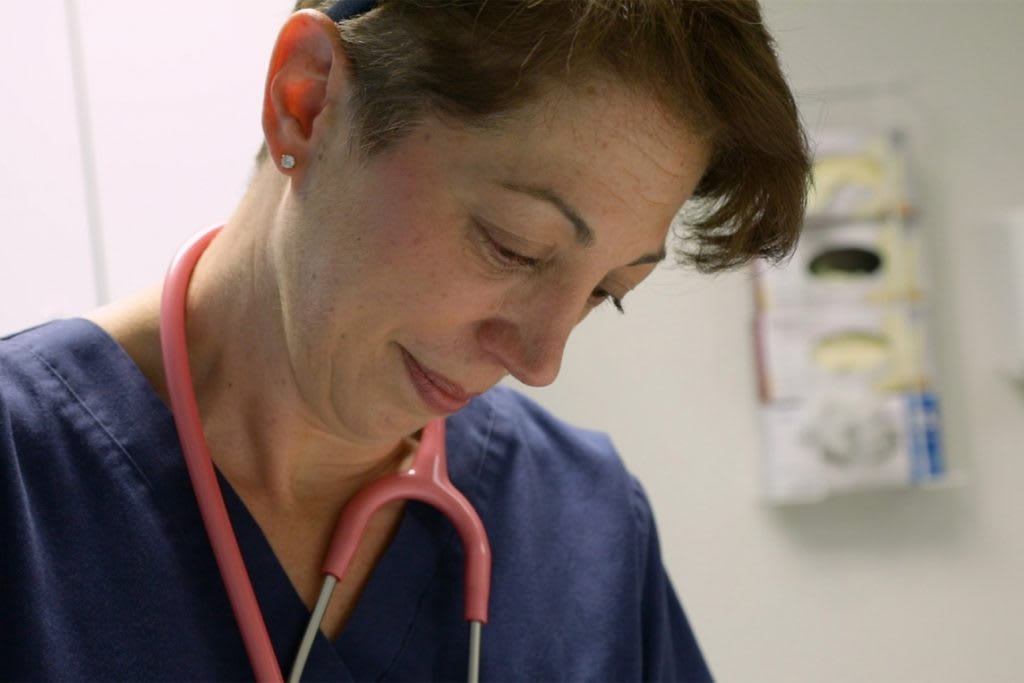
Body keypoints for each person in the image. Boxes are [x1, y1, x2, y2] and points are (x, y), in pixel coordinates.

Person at [0, 0, 809, 680]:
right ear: (306, 98)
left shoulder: (583, 524)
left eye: (606, 293)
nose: (539, 361)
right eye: (511, 245)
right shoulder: (26, 486)